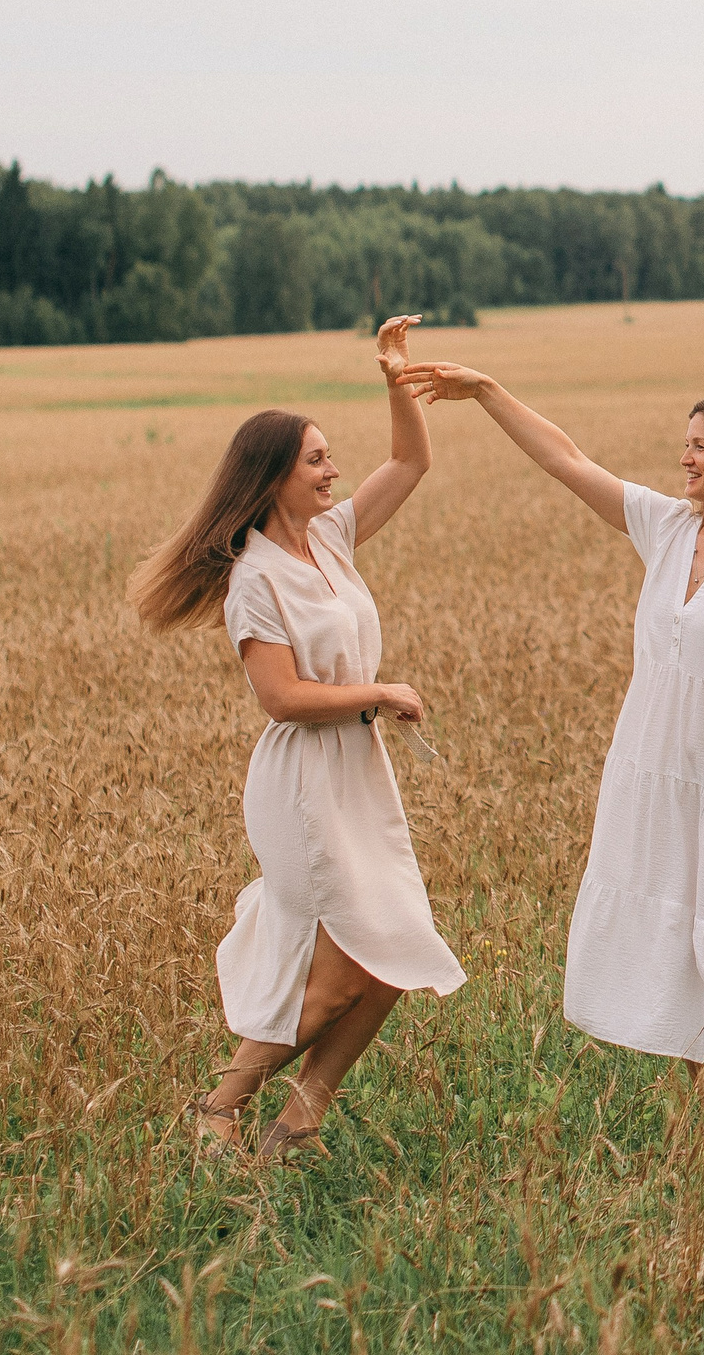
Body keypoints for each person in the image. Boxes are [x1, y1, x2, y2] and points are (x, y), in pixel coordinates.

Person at [398, 360, 704, 1121]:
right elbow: (567, 460)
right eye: (686, 444)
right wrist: (490, 392)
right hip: (658, 771)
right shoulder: (668, 528)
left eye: (700, 446)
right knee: (683, 940)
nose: (685, 458)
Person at [130, 315, 466, 1162]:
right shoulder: (253, 577)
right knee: (345, 968)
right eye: (316, 459)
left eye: (329, 456)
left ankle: (301, 1118)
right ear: (273, 476)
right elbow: (280, 698)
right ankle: (218, 1109)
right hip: (304, 781)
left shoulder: (331, 537)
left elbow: (413, 462)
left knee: (396, 949)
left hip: (358, 771)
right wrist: (380, 691)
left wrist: (396, 377)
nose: (334, 470)